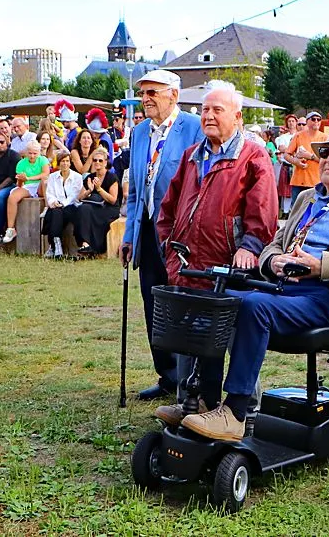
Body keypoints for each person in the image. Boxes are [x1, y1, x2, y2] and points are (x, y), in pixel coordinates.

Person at [178, 124, 329, 441]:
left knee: (254, 306)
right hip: (285, 289)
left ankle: (235, 412)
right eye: (325, 152)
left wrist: (320, 266)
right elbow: (274, 245)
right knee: (218, 300)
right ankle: (203, 401)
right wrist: (273, 260)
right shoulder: (307, 198)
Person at [151, 84, 279, 424]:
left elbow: (264, 209)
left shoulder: (253, 156)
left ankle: (243, 412)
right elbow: (168, 208)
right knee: (190, 335)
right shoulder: (192, 155)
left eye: (217, 110)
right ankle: (192, 404)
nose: (208, 116)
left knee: (234, 335)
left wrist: (250, 246)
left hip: (229, 267)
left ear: (237, 117)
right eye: (205, 110)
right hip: (189, 265)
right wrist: (169, 247)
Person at [120, 68, 205, 401]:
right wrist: (129, 236)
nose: (146, 99)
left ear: (174, 95)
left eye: (153, 92)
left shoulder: (194, 127)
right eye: (143, 93)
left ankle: (191, 378)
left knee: (183, 304)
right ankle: (167, 375)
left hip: (180, 232)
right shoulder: (140, 132)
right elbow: (135, 190)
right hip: (146, 229)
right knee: (153, 303)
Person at [1, 139, 50, 244]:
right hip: (28, 186)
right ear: (26, 153)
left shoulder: (43, 160)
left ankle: (47, 207)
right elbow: (19, 184)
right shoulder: (21, 163)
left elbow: (46, 174)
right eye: (30, 153)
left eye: (35, 153)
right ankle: (10, 229)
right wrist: (21, 180)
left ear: (39, 153)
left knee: (45, 180)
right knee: (12, 197)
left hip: (41, 185)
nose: (32, 156)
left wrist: (29, 178)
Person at [73, 150, 120, 256]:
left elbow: (113, 200)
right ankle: (85, 244)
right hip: (93, 206)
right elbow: (79, 198)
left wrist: (99, 189)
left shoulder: (112, 177)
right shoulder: (89, 177)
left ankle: (95, 247)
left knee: (86, 211)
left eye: (100, 160)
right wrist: (89, 191)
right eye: (95, 160)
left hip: (109, 208)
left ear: (105, 162)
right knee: (82, 209)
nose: (97, 162)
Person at [41, 152, 82, 257]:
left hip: (71, 207)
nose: (65, 163)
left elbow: (74, 195)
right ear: (59, 163)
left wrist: (62, 203)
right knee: (55, 212)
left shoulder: (77, 177)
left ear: (70, 163)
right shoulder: (52, 177)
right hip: (56, 206)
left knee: (54, 214)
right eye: (63, 161)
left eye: (67, 161)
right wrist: (54, 202)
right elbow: (50, 193)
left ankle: (53, 246)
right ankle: (57, 245)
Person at [282, 112, 328, 204]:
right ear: (307, 122)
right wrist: (295, 161)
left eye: (318, 119)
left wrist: (310, 156)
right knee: (297, 208)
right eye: (313, 119)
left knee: (313, 208)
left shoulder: (325, 138)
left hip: (316, 182)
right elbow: (286, 155)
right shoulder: (298, 136)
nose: (316, 121)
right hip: (298, 181)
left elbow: (327, 160)